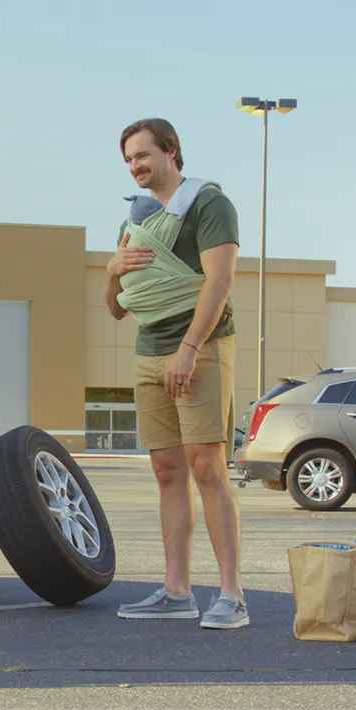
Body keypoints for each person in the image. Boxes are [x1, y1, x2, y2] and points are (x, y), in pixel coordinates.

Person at [104, 118, 248, 630]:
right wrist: (112, 271)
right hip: (148, 350)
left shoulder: (208, 204)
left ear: (171, 152)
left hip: (200, 347)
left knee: (207, 467)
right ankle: (176, 591)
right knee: (167, 472)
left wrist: (190, 347)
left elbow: (221, 279)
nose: (135, 166)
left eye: (143, 155)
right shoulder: (136, 221)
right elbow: (118, 308)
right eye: (128, 160)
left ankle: (231, 594)